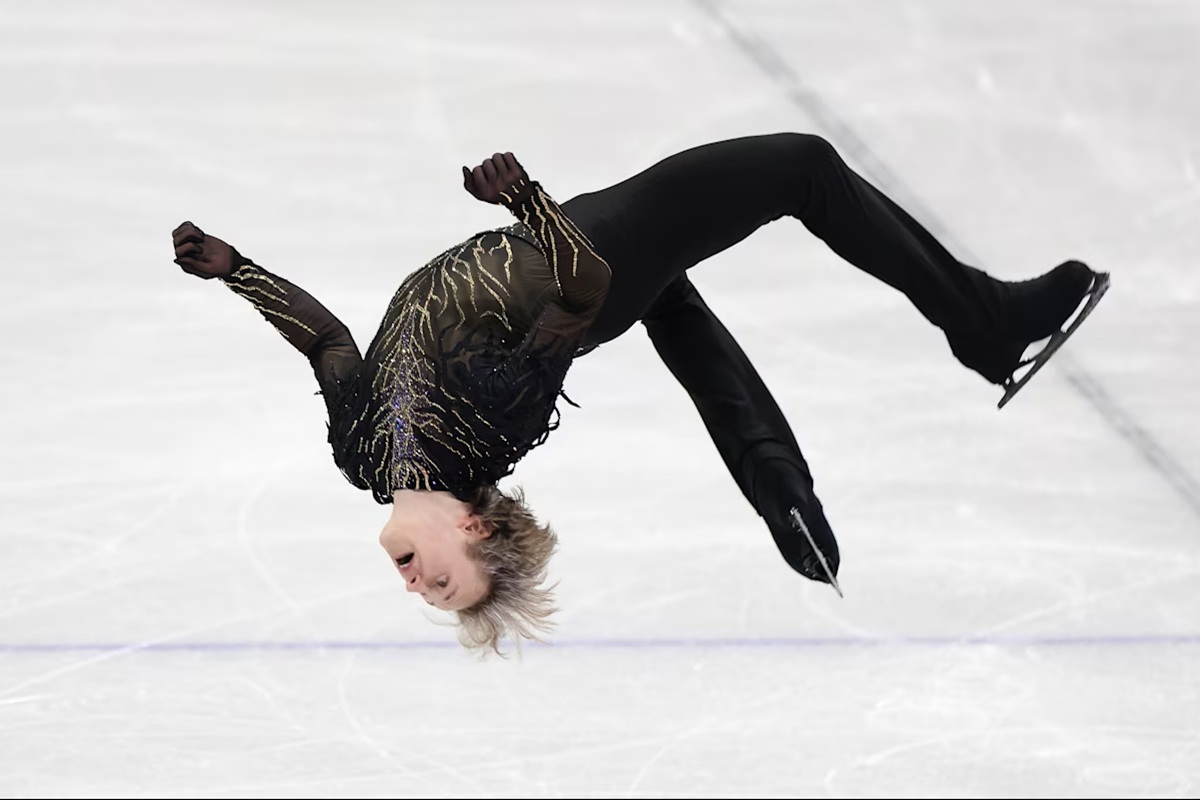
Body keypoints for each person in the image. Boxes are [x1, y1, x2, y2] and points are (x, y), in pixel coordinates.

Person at [170, 133, 1108, 655]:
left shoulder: (364, 458)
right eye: (444, 585)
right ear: (478, 530)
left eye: (424, 591)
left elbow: (330, 340)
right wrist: (528, 201)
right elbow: (583, 292)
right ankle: (982, 324)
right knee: (801, 168)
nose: (414, 583)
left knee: (680, 302)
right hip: (586, 252)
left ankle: (780, 486)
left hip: (574, 246)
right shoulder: (489, 425)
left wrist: (236, 270)